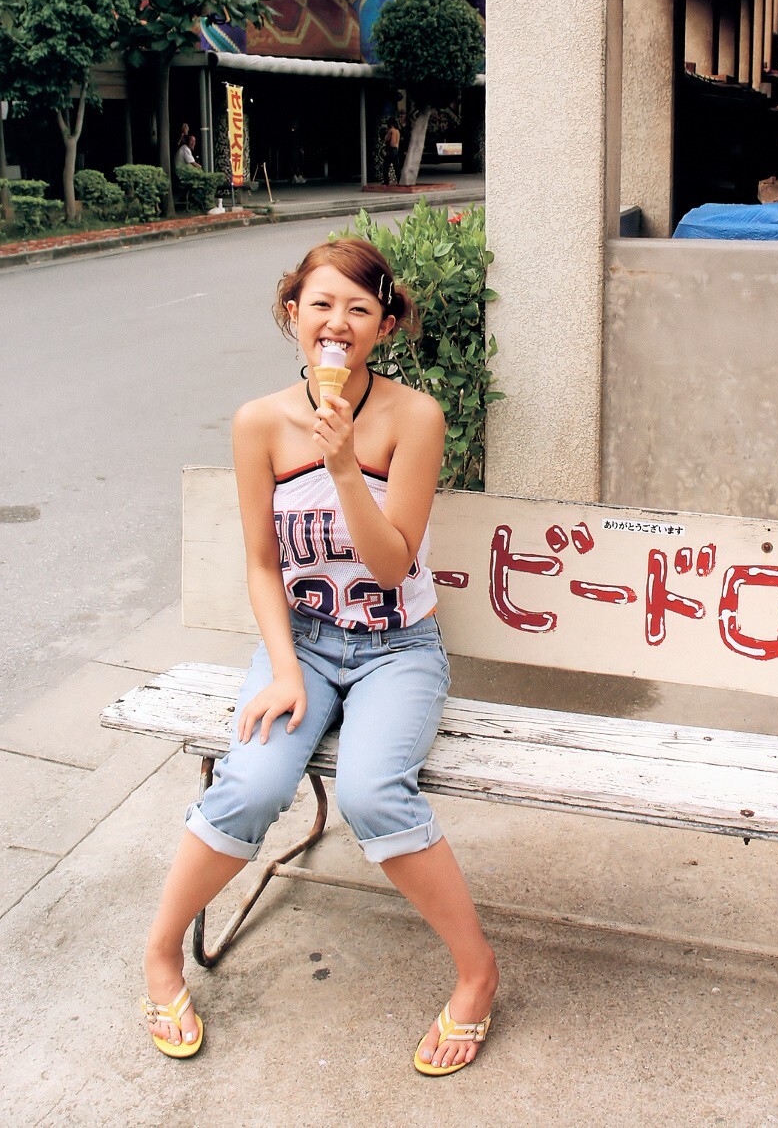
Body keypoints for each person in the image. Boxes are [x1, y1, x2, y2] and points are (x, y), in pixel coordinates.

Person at [141, 238, 499, 1074]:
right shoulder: (258, 422)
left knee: (374, 792)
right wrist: (287, 668)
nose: (337, 322)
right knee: (254, 781)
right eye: (320, 305)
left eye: (358, 309)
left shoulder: (414, 417)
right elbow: (263, 566)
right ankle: (160, 953)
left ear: (382, 326)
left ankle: (477, 972)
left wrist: (343, 465)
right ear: (291, 313)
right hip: (299, 640)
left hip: (395, 648)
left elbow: (388, 563)